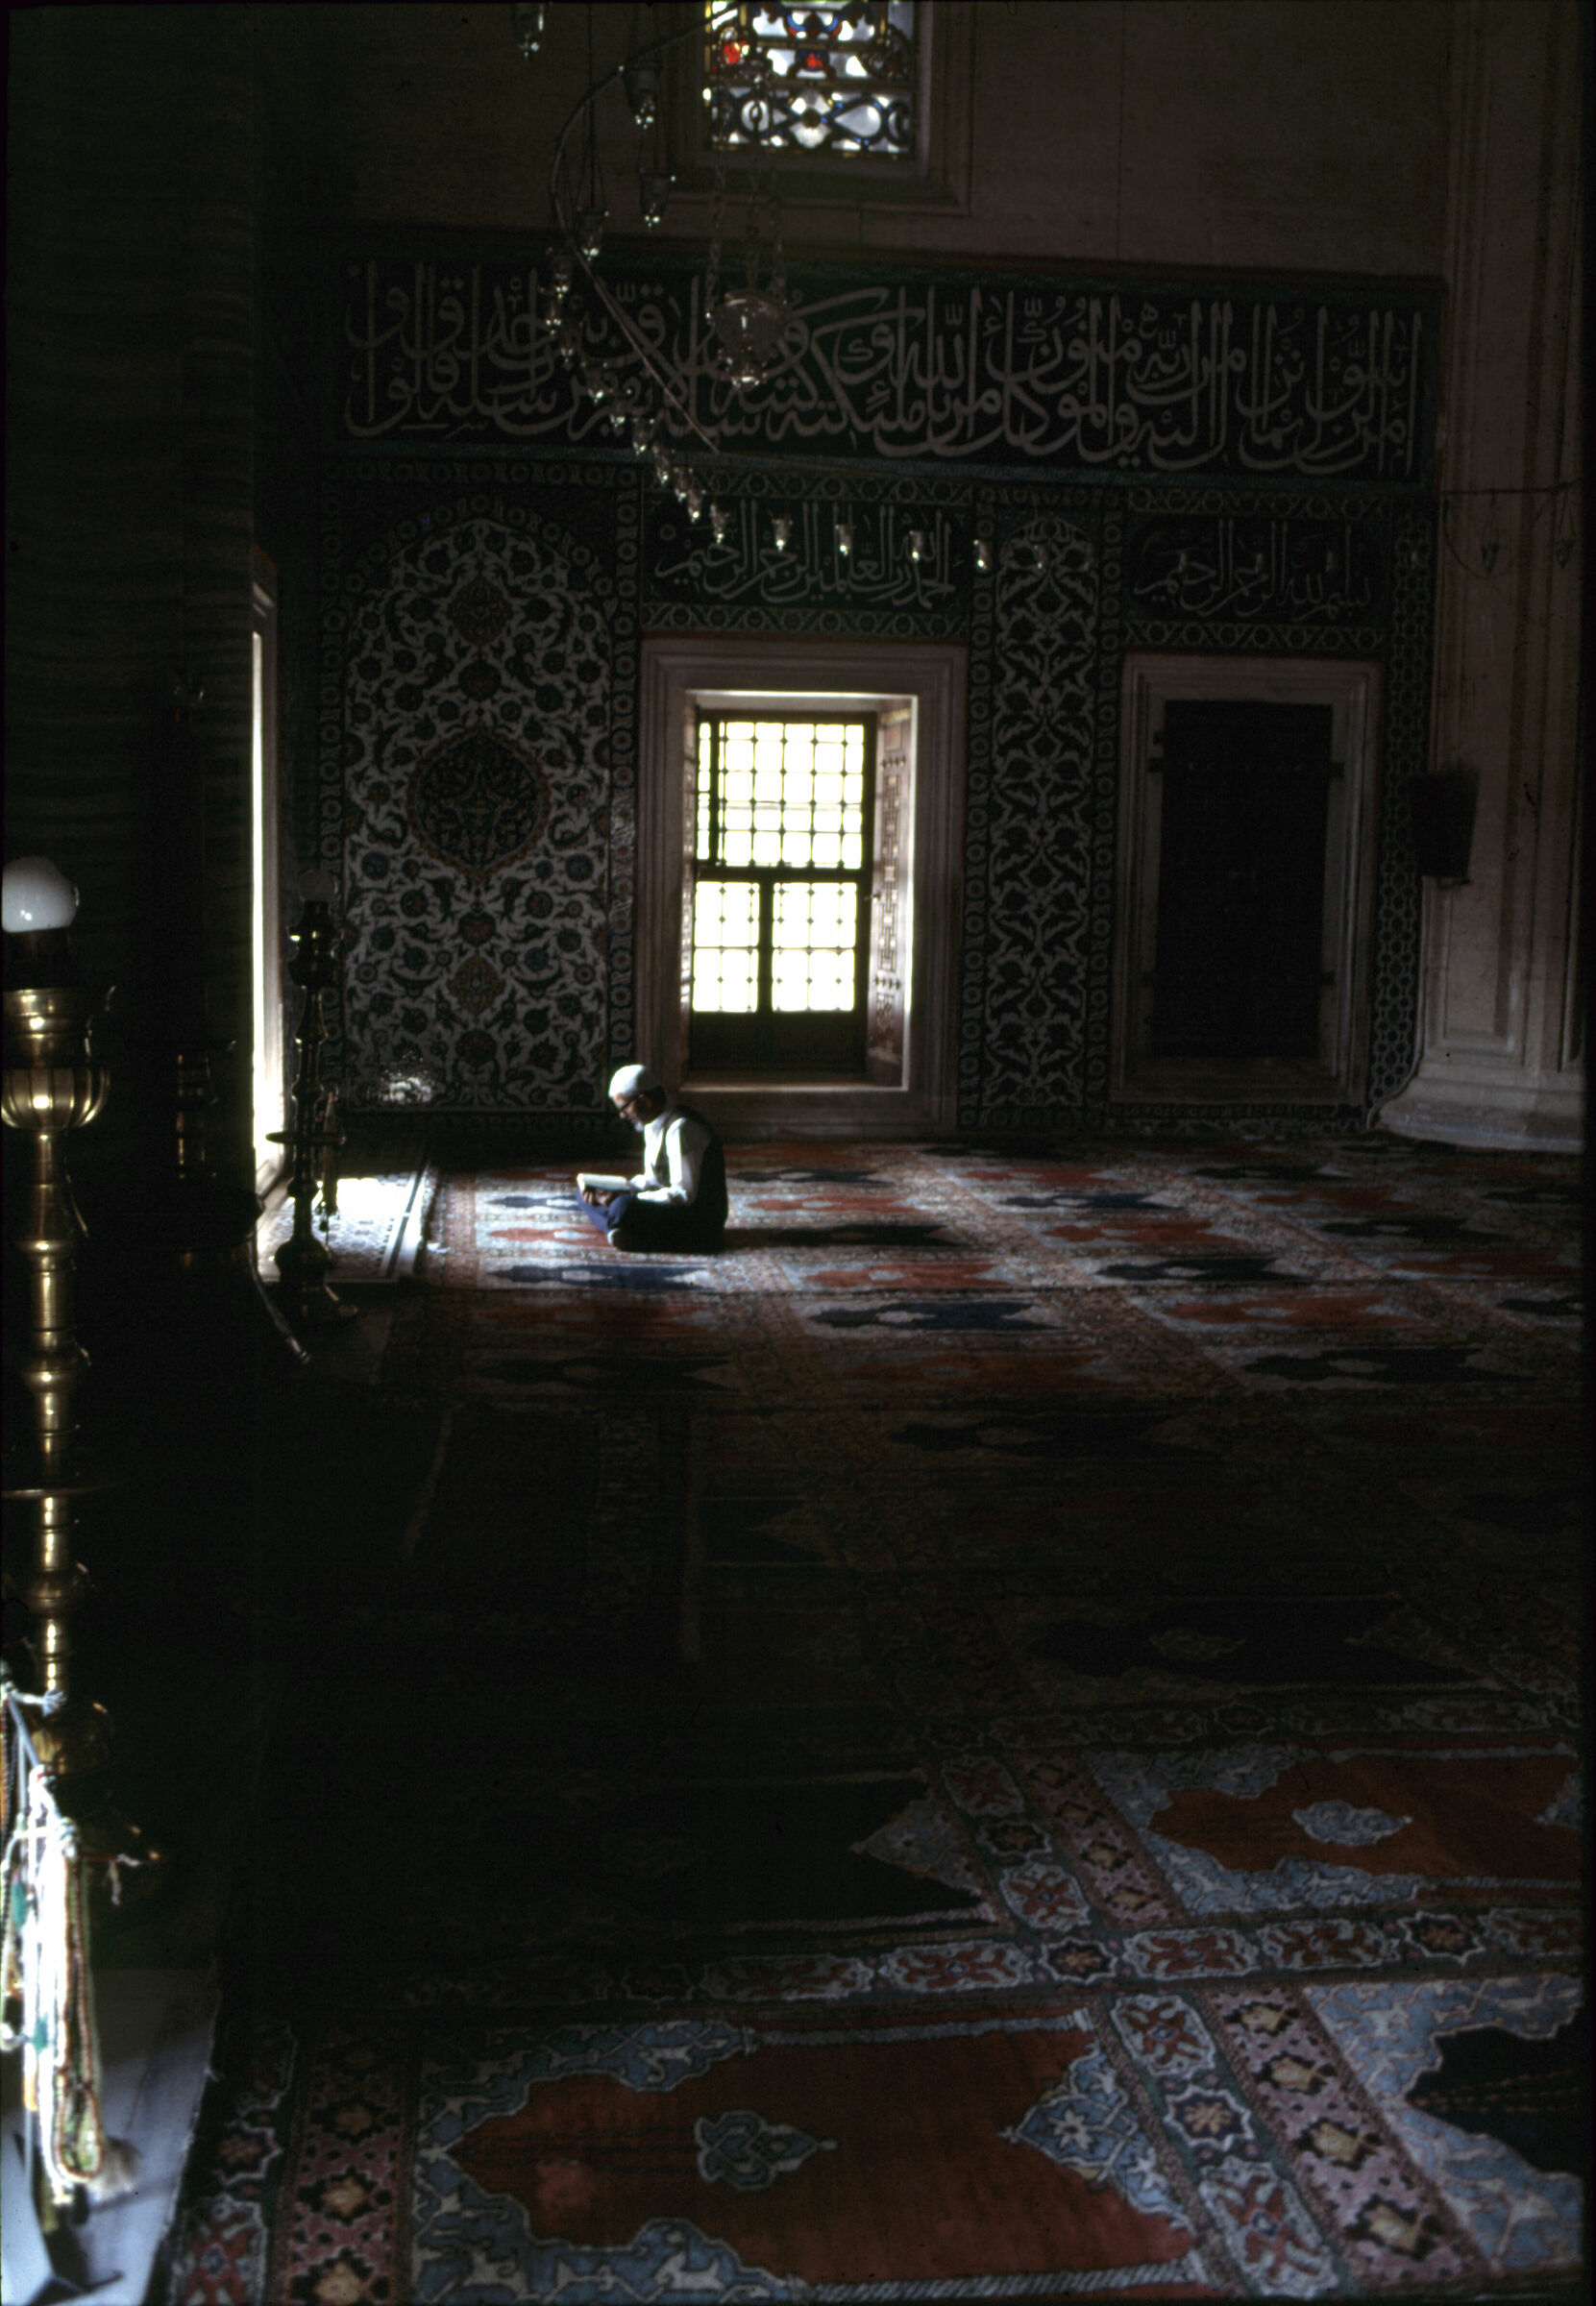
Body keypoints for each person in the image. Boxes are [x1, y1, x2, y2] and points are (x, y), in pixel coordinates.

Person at [577, 1064, 727, 1254]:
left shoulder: (682, 1129)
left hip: (700, 1224)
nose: (623, 1116)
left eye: (624, 1108)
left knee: (622, 1207)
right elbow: (652, 1181)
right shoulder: (651, 1123)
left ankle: (622, 1227)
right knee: (584, 1193)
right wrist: (621, 1188)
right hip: (673, 1209)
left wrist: (627, 1198)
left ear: (644, 1101)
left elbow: (684, 1195)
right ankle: (621, 1230)